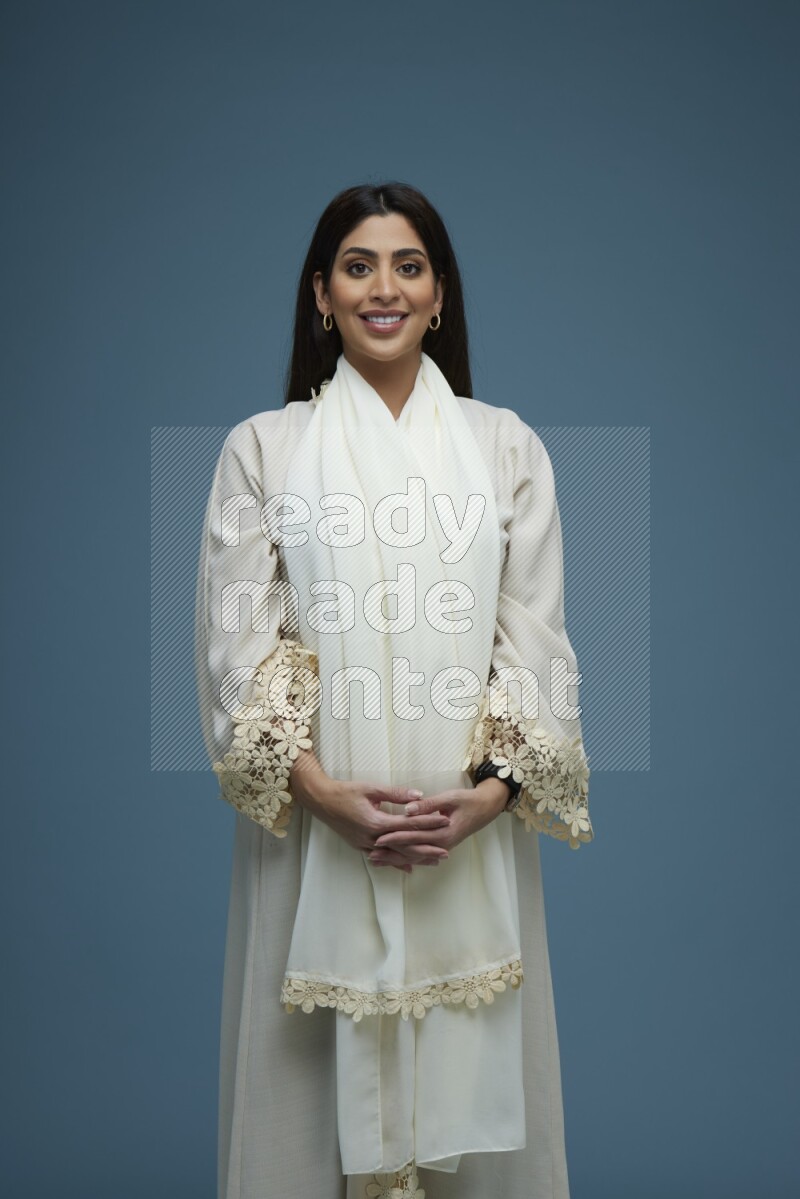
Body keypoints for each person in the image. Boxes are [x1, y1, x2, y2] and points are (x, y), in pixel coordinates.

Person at [194, 180, 593, 1199]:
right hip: (314, 833)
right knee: (299, 1116)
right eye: (357, 265)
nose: (384, 287)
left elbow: (536, 641)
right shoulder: (262, 449)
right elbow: (236, 648)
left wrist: (487, 798)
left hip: (464, 838)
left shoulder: (505, 447)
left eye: (407, 265)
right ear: (319, 295)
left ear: (440, 293)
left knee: (480, 1129)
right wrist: (324, 796)